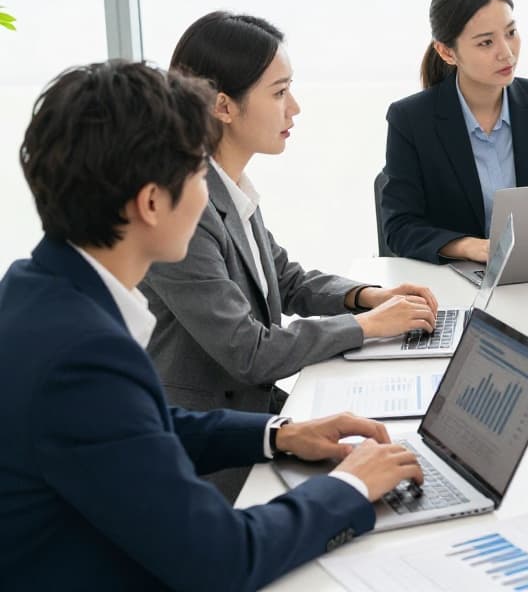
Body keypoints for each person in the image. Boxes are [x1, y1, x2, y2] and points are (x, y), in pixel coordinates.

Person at [0, 61, 424, 590]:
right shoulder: (82, 354)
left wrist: (279, 435)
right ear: (151, 203)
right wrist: (351, 488)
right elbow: (223, 559)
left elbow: (137, 428)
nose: (209, 195)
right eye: (199, 174)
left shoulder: (34, 287)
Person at [141, 12, 438, 500]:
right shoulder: (186, 208)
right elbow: (249, 350)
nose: (294, 108)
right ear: (223, 107)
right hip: (208, 461)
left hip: (259, 422)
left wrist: (367, 296)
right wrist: (370, 326)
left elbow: (285, 276)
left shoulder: (227, 184)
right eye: (279, 93)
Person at [382, 0, 528, 263]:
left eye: (510, 32)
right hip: (456, 279)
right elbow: (399, 227)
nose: (506, 53)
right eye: (485, 43)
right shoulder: (411, 120)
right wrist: (470, 247)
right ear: (446, 51)